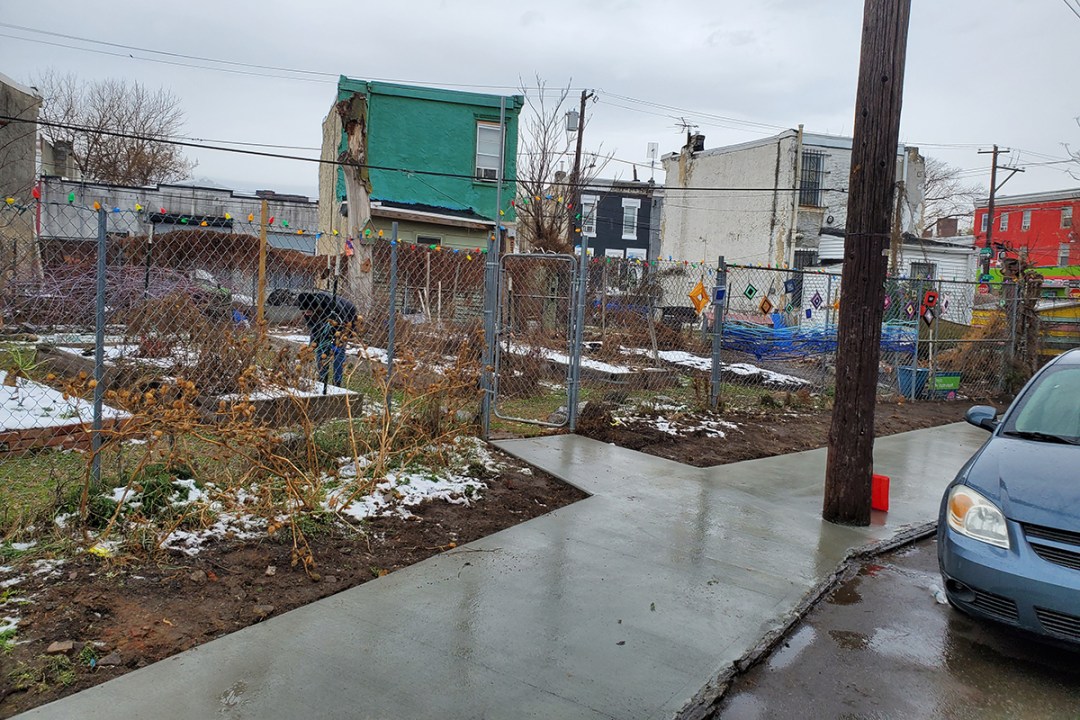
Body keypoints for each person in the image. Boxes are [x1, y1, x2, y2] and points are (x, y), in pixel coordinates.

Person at [296, 291, 358, 386]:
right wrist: (313, 344)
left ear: (315, 307)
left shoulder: (332, 305)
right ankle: (322, 379)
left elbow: (343, 325)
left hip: (347, 315)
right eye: (305, 312)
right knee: (321, 349)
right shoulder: (307, 310)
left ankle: (337, 382)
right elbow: (314, 328)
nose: (306, 314)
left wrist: (335, 342)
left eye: (309, 311)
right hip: (327, 319)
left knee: (338, 350)